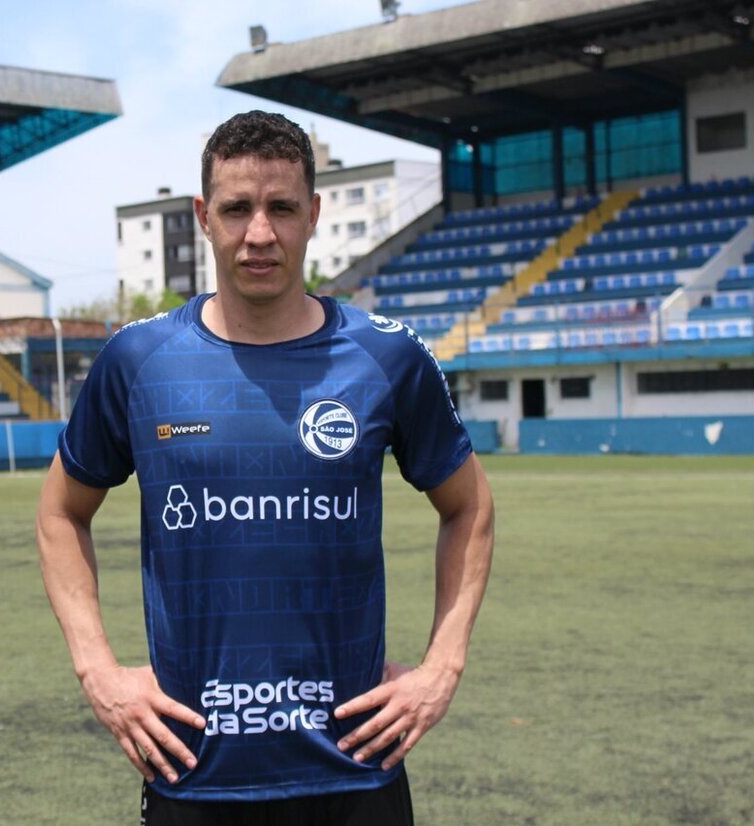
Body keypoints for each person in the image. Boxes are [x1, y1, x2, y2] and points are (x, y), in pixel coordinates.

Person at [36, 110, 494, 825]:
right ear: (203, 216)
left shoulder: (386, 355)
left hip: (355, 769)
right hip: (192, 771)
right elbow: (61, 513)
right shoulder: (139, 360)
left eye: (281, 207)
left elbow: (469, 506)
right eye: (236, 209)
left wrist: (442, 667)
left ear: (313, 215)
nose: (259, 233)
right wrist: (99, 671)